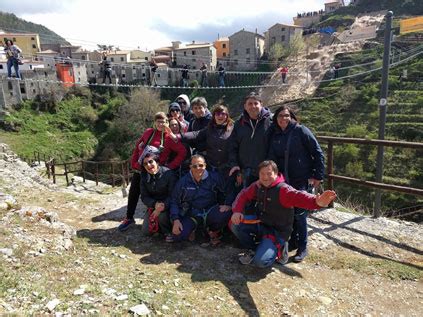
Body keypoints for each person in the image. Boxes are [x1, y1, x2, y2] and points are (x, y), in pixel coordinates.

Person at [231, 160, 336, 268]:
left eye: (269, 174)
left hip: (277, 232)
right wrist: (237, 211)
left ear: (276, 174)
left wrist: (317, 202)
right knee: (235, 224)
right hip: (261, 223)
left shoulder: (283, 190)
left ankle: (280, 248)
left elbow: (300, 197)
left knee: (260, 262)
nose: (265, 177)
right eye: (262, 174)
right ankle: (253, 249)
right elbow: (244, 194)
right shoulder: (258, 185)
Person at [267, 104, 325, 262]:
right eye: (280, 116)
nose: (283, 119)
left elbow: (317, 152)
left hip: (300, 178)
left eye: (286, 115)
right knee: (288, 212)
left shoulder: (300, 130)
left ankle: (302, 246)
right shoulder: (275, 134)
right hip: (283, 180)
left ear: (291, 116)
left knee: (300, 213)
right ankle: (293, 240)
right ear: (276, 119)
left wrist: (318, 175)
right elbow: (272, 158)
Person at [118, 112, 187, 231]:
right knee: (134, 192)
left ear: (167, 123)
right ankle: (129, 218)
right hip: (141, 168)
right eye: (158, 121)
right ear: (155, 122)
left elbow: (182, 152)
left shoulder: (169, 138)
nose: (161, 124)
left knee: (156, 193)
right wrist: (134, 163)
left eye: (164, 121)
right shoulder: (148, 133)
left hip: (157, 171)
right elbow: (137, 147)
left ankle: (158, 217)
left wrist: (170, 166)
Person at [168, 154, 235, 245]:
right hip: (192, 214)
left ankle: (212, 231)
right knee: (178, 236)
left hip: (210, 211)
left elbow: (229, 190)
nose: (198, 168)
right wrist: (176, 220)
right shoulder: (183, 181)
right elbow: (174, 201)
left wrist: (228, 204)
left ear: (205, 165)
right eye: (194, 166)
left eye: (201, 165)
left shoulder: (214, 177)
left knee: (226, 213)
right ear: (190, 167)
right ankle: (195, 230)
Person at [228, 92, 272, 188]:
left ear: (261, 104)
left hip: (266, 171)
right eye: (250, 104)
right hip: (245, 171)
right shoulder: (239, 124)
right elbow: (232, 146)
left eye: (256, 103)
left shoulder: (271, 122)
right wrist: (235, 165)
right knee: (247, 200)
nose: (253, 106)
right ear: (245, 106)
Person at [139, 146, 177, 237]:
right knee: (146, 232)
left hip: (168, 205)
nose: (148, 165)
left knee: (162, 216)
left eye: (150, 161)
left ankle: (167, 232)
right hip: (154, 205)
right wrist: (154, 204)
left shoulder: (169, 174)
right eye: (145, 164)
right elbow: (144, 197)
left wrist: (162, 206)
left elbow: (174, 195)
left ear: (157, 162)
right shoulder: (144, 177)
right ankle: (159, 228)